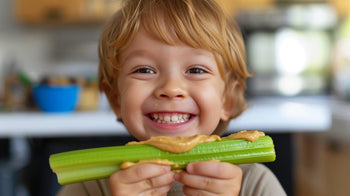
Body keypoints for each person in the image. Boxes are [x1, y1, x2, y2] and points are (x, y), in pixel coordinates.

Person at [57, 0, 286, 195]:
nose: (171, 88)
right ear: (115, 98)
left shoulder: (255, 185)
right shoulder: (87, 187)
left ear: (227, 100)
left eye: (196, 70)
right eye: (144, 70)